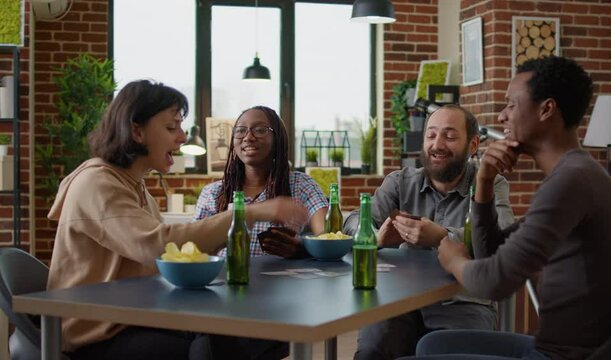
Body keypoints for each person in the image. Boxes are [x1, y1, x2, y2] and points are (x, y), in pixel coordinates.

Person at [47, 80, 308, 360]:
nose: (182, 137)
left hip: (136, 317)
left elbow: (171, 250)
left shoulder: (133, 185)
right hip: (98, 333)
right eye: (171, 127)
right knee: (226, 345)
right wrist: (252, 212)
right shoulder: (96, 183)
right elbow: (162, 247)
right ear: (137, 131)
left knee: (268, 335)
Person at [428, 56, 611, 359]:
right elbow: (491, 253)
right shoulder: (575, 174)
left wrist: (453, 259)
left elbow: (493, 282)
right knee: (432, 345)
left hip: (565, 356)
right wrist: (484, 181)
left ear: (546, 109)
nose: (501, 116)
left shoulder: (571, 182)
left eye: (511, 104)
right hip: (552, 347)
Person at [343, 104, 515, 360]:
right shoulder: (399, 182)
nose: (438, 144)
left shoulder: (490, 183)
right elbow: (353, 221)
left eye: (450, 135)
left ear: (473, 144)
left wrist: (440, 237)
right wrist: (374, 236)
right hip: (397, 300)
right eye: (431, 135)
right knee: (371, 351)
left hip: (463, 302)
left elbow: (502, 238)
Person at [194, 105, 328, 258]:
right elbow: (191, 250)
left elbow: (329, 238)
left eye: (259, 130)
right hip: (225, 280)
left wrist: (302, 249)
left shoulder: (301, 185)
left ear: (277, 138)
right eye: (240, 130)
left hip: (282, 281)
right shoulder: (213, 193)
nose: (248, 137)